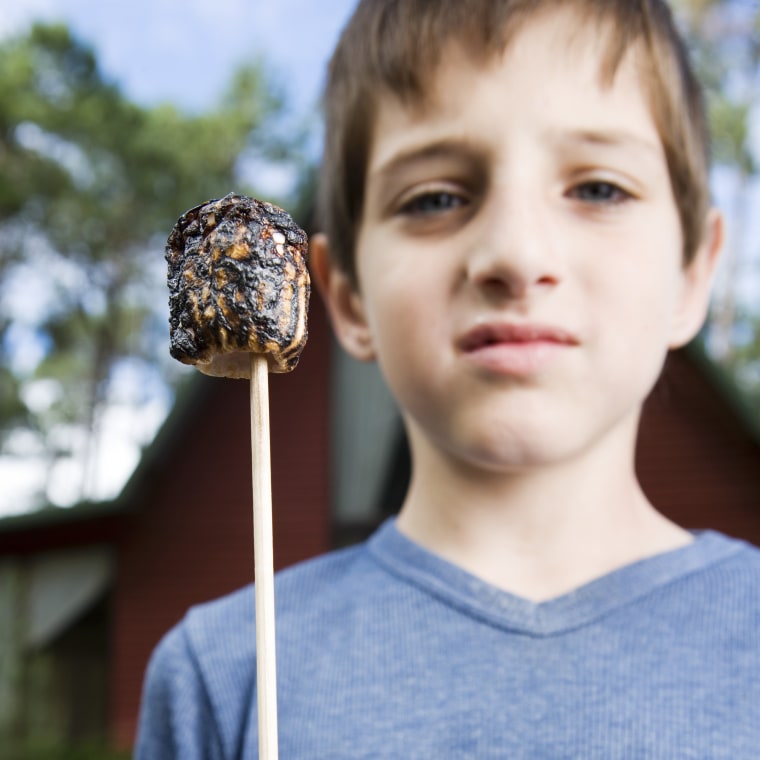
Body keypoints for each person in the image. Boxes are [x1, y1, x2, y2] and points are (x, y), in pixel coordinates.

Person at [135, 0, 760, 757]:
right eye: (434, 198)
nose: (517, 254)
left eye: (598, 188)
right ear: (346, 297)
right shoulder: (223, 675)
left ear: (695, 272)